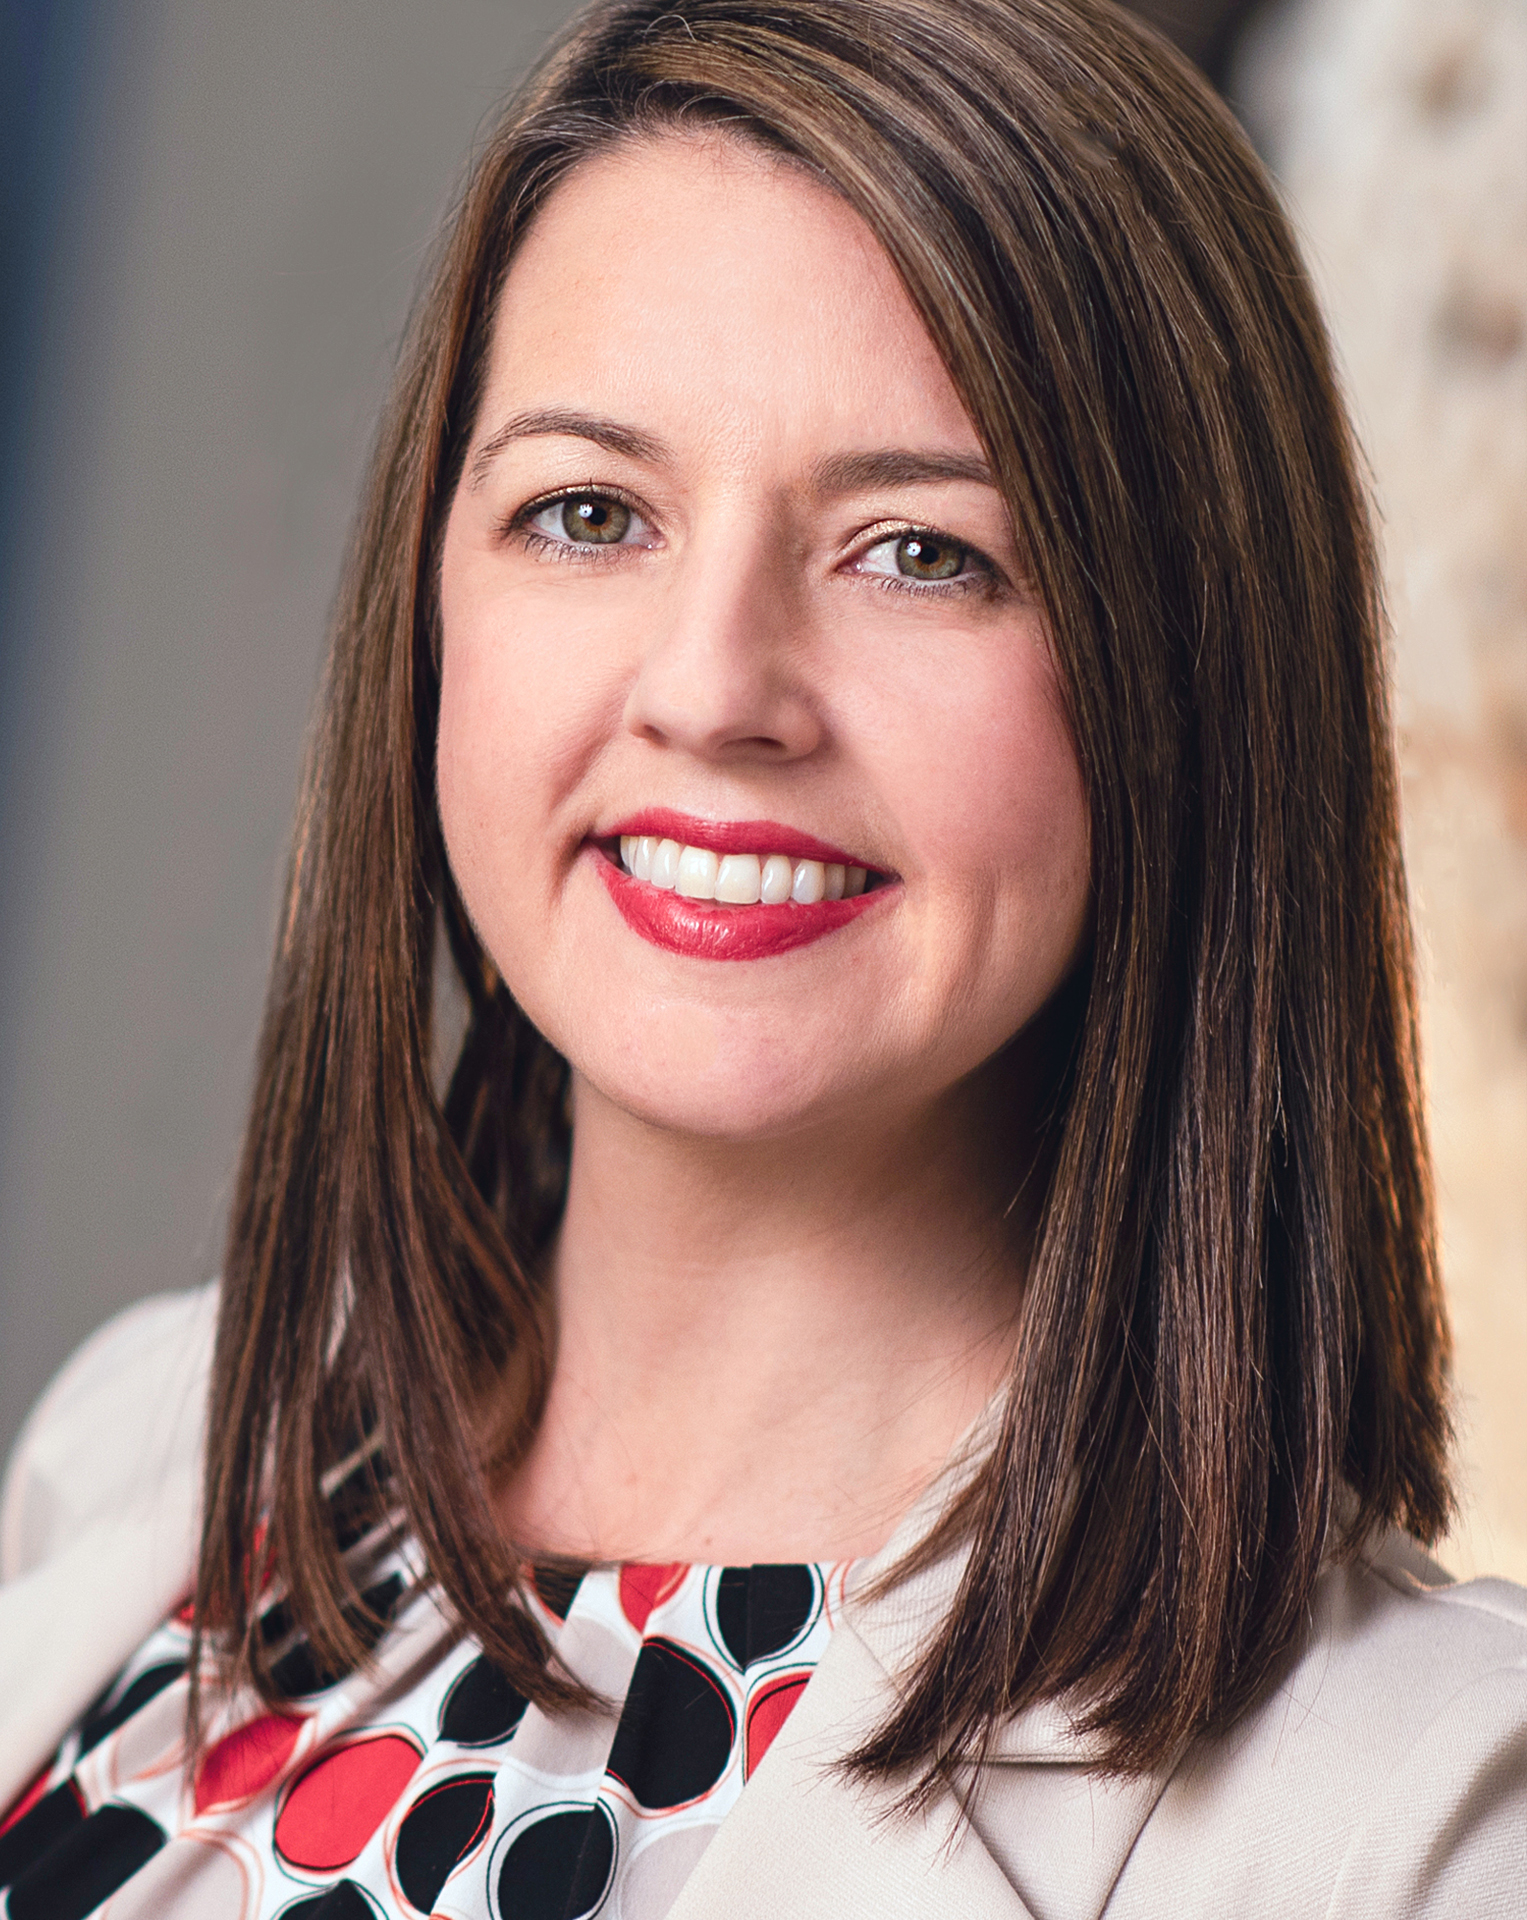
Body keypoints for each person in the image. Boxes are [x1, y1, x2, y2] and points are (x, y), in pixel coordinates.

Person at [1, 0, 1522, 1914]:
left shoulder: (1430, 1824)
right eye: (588, 513)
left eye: (920, 553)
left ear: (1193, 673)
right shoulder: (148, 1439)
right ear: (429, 606)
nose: (718, 688)